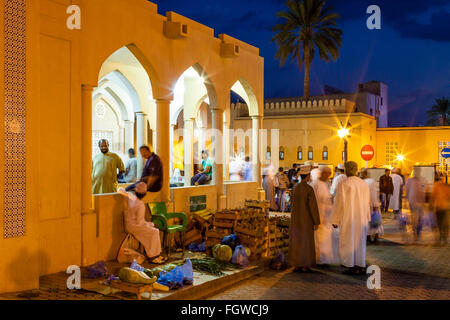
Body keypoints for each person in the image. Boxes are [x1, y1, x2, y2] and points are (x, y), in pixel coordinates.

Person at [331, 161, 371, 275]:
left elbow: (338, 204)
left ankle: (351, 265)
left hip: (348, 218)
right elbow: (367, 202)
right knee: (359, 242)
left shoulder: (344, 184)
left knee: (348, 242)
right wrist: (367, 217)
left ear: (347, 170)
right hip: (361, 218)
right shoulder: (363, 184)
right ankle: (359, 264)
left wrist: (335, 220)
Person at [118, 182, 167, 264]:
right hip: (134, 226)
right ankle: (153, 256)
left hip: (130, 224)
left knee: (153, 231)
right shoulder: (140, 204)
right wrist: (152, 224)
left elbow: (120, 190)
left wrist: (127, 190)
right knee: (154, 232)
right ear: (144, 194)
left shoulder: (131, 196)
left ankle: (156, 255)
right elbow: (140, 222)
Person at [288, 165, 320, 273]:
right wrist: (316, 221)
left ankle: (296, 264)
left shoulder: (295, 187)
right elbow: (313, 206)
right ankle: (304, 265)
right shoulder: (308, 189)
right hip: (306, 220)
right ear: (307, 176)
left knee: (296, 241)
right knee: (306, 242)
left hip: (295, 219)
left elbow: (291, 203)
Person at [312, 167, 337, 265]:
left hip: (326, 218)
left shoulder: (325, 185)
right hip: (318, 217)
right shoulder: (315, 185)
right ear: (323, 174)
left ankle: (325, 259)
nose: (328, 176)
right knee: (318, 239)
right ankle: (319, 259)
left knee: (325, 239)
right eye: (327, 174)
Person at [361, 169, 383, 243]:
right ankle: (370, 237)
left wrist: (375, 205)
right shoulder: (365, 182)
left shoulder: (370, 182)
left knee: (373, 220)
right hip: (368, 205)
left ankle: (373, 236)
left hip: (370, 205)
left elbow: (374, 194)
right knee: (372, 220)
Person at [405, 171, 426, 240]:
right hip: (413, 202)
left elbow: (424, 191)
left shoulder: (422, 180)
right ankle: (415, 232)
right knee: (415, 218)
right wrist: (406, 201)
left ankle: (418, 231)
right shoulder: (410, 180)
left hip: (418, 202)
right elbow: (407, 191)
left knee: (419, 218)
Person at [431, 174, 449, 245]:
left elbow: (433, 196)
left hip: (439, 208)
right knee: (444, 225)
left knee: (439, 224)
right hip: (444, 208)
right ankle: (444, 239)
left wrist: (431, 205)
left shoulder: (436, 185)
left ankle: (440, 239)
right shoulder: (446, 186)